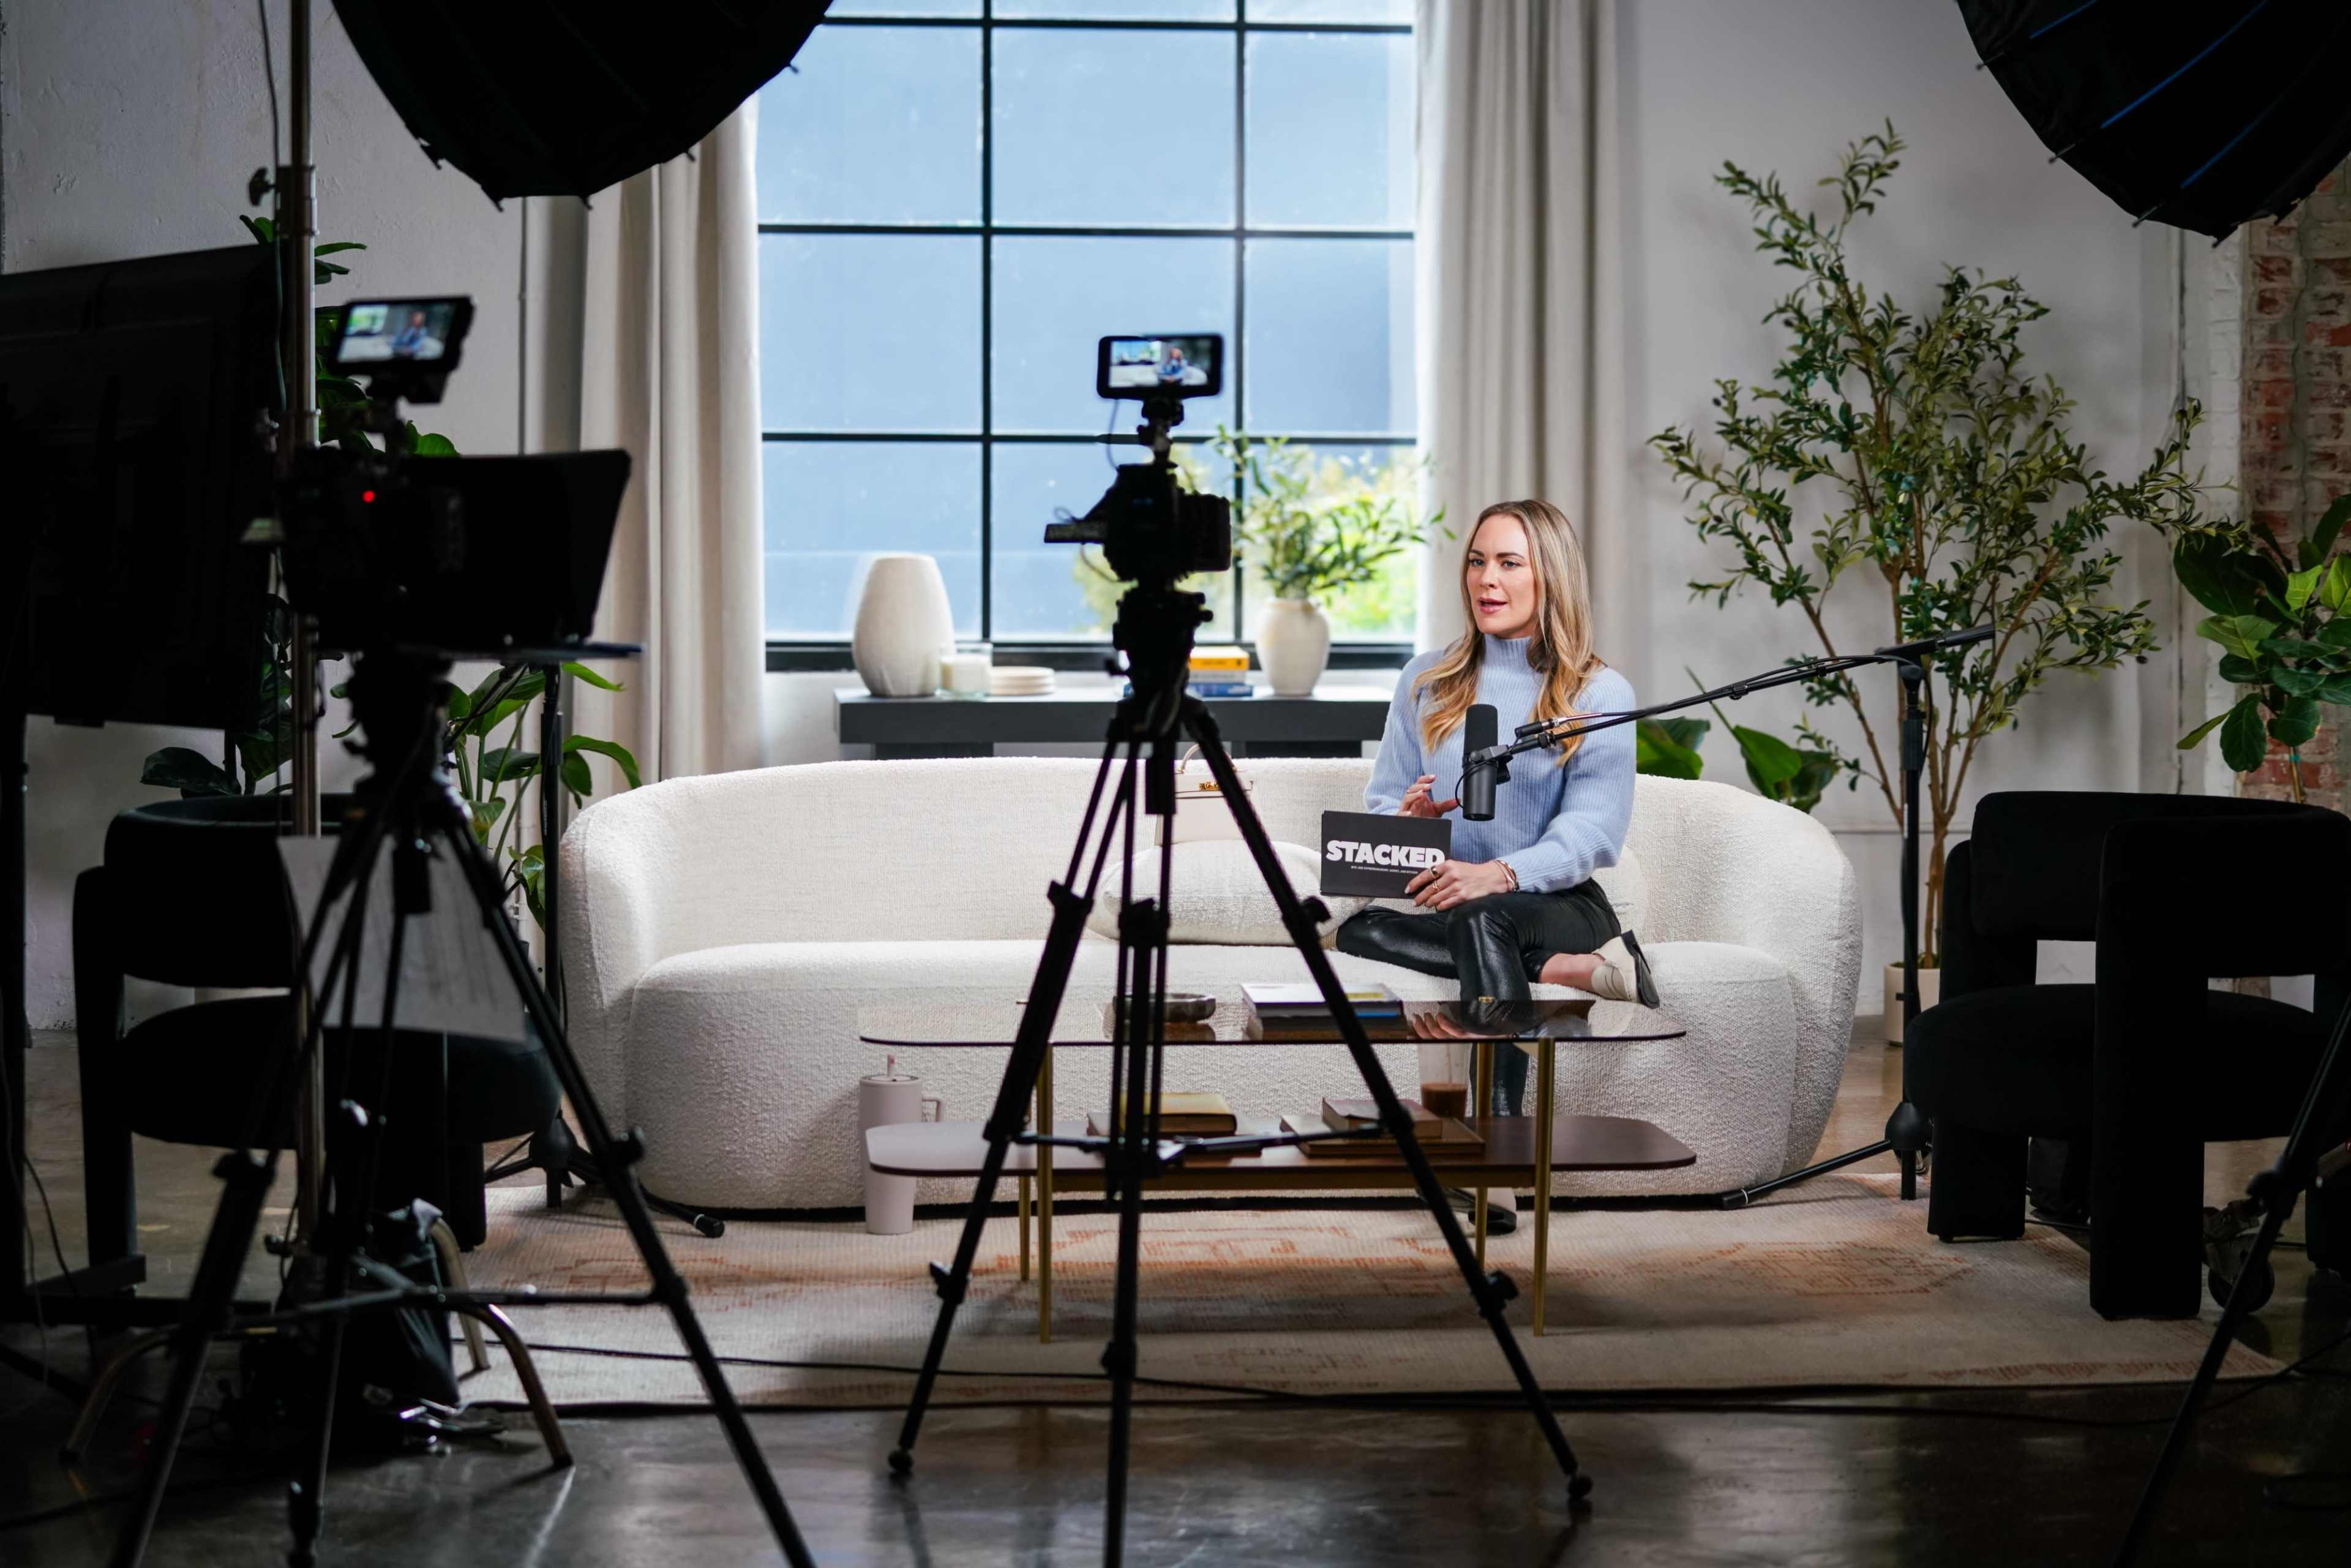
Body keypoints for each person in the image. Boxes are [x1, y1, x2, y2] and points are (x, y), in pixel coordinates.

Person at [1333, 498, 1654, 1231]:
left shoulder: (1596, 694)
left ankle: (1496, 1157)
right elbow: (1383, 802)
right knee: (1356, 929)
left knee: (1481, 916)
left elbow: (1593, 831)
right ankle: (1568, 968)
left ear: (1551, 577)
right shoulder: (1426, 679)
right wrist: (1406, 825)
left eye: (1509, 562)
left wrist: (1501, 874)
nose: (1487, 578)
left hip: (1563, 902)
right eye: (1478, 561)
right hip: (1467, 911)